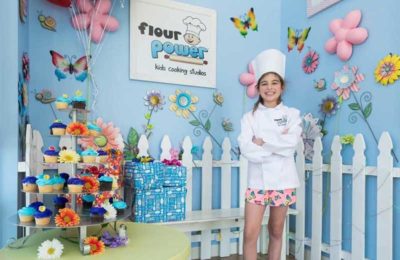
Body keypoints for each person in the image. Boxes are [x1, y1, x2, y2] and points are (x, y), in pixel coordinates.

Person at [238, 49, 302, 260]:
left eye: (275, 82)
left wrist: (263, 142)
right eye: (264, 83)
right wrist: (277, 146)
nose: (270, 87)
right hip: (257, 182)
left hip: (284, 181)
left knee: (276, 231)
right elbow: (246, 148)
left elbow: (291, 145)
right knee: (250, 233)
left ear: (281, 87)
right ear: (257, 88)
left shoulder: (292, 115)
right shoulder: (249, 117)